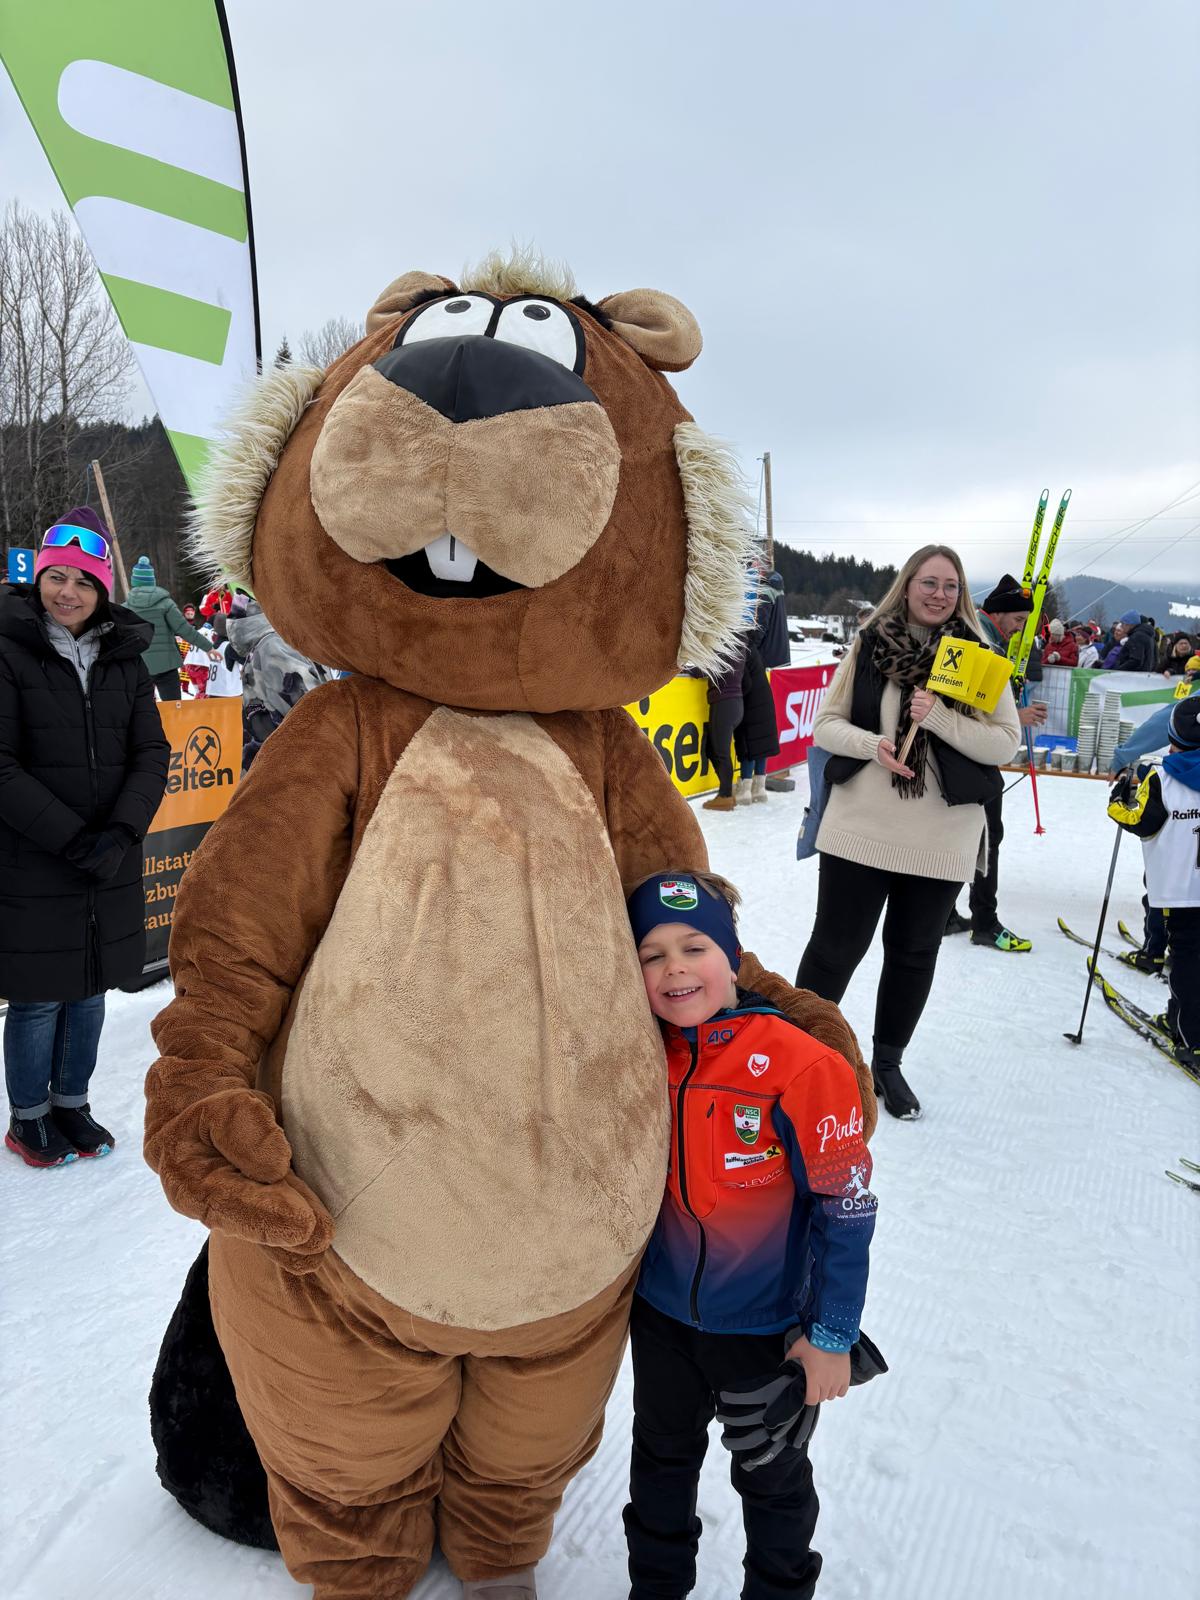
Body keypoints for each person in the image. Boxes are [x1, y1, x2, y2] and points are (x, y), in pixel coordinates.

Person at [624, 870, 879, 1600]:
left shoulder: (802, 1064)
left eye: (694, 946)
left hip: (766, 1328)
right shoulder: (640, 1057)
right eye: (651, 955)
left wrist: (832, 1336)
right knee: (659, 1466)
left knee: (772, 1481)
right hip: (664, 1316)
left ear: (733, 958)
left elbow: (847, 1207)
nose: (674, 968)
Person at [796, 546, 1021, 1119]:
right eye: (929, 582)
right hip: (862, 826)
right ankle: (797, 1054)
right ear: (908, 585)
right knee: (834, 950)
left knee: (913, 954)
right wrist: (873, 744)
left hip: (942, 833)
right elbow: (825, 725)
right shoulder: (871, 645)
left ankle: (887, 1065)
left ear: (961, 593)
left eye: (951, 585)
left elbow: (1004, 743)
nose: (939, 594)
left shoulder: (978, 658)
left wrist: (939, 718)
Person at [0, 509, 169, 1167]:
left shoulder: (124, 656)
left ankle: (72, 1103)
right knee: (40, 995)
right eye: (56, 577)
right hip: (35, 853)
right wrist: (72, 840)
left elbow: (151, 751)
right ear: (39, 578)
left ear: (102, 590)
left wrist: (122, 831)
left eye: (83, 581)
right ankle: (29, 1119)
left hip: (109, 855)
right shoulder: (10, 648)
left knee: (90, 988)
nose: (67, 592)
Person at [942, 572, 1047, 953]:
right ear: (998, 613)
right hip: (971, 759)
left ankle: (946, 914)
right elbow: (964, 709)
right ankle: (985, 922)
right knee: (986, 839)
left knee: (968, 836)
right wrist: (1015, 717)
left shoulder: (980, 636)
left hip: (965, 759)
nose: (1020, 628)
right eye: (1018, 619)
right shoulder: (980, 641)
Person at [1108, 698, 1200, 1075]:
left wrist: (1116, 803)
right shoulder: (1159, 775)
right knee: (1190, 960)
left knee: (1186, 961)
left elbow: (1142, 822)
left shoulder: (1161, 779)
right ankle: (1179, 1021)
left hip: (1180, 890)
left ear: (1173, 738)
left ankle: (1192, 1040)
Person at [226, 598, 330, 770]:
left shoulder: (269, 646)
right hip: (289, 758)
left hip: (294, 759)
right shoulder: (267, 645)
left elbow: (308, 706)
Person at [124, 555, 218, 700]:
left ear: (134, 581)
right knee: (174, 708)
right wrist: (208, 647)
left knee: (142, 709)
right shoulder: (166, 604)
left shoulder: (125, 608)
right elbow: (185, 630)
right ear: (152, 580)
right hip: (166, 666)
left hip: (140, 667)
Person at [702, 638, 749, 813]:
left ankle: (725, 795)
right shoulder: (740, 644)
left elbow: (708, 669)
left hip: (723, 703)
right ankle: (726, 791)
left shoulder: (726, 643)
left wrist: (685, 668)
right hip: (736, 702)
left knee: (720, 753)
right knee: (713, 749)